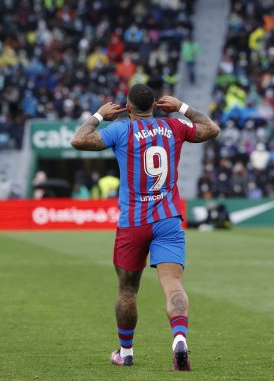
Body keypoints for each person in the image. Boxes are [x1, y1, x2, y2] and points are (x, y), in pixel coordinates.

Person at [71, 83, 220, 371]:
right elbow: (211, 128)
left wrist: (100, 115)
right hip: (168, 219)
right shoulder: (175, 127)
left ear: (127, 108)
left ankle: (125, 352)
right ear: (155, 106)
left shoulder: (121, 130)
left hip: (133, 223)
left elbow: (79, 140)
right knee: (173, 285)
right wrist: (182, 108)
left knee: (127, 291)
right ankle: (179, 338)